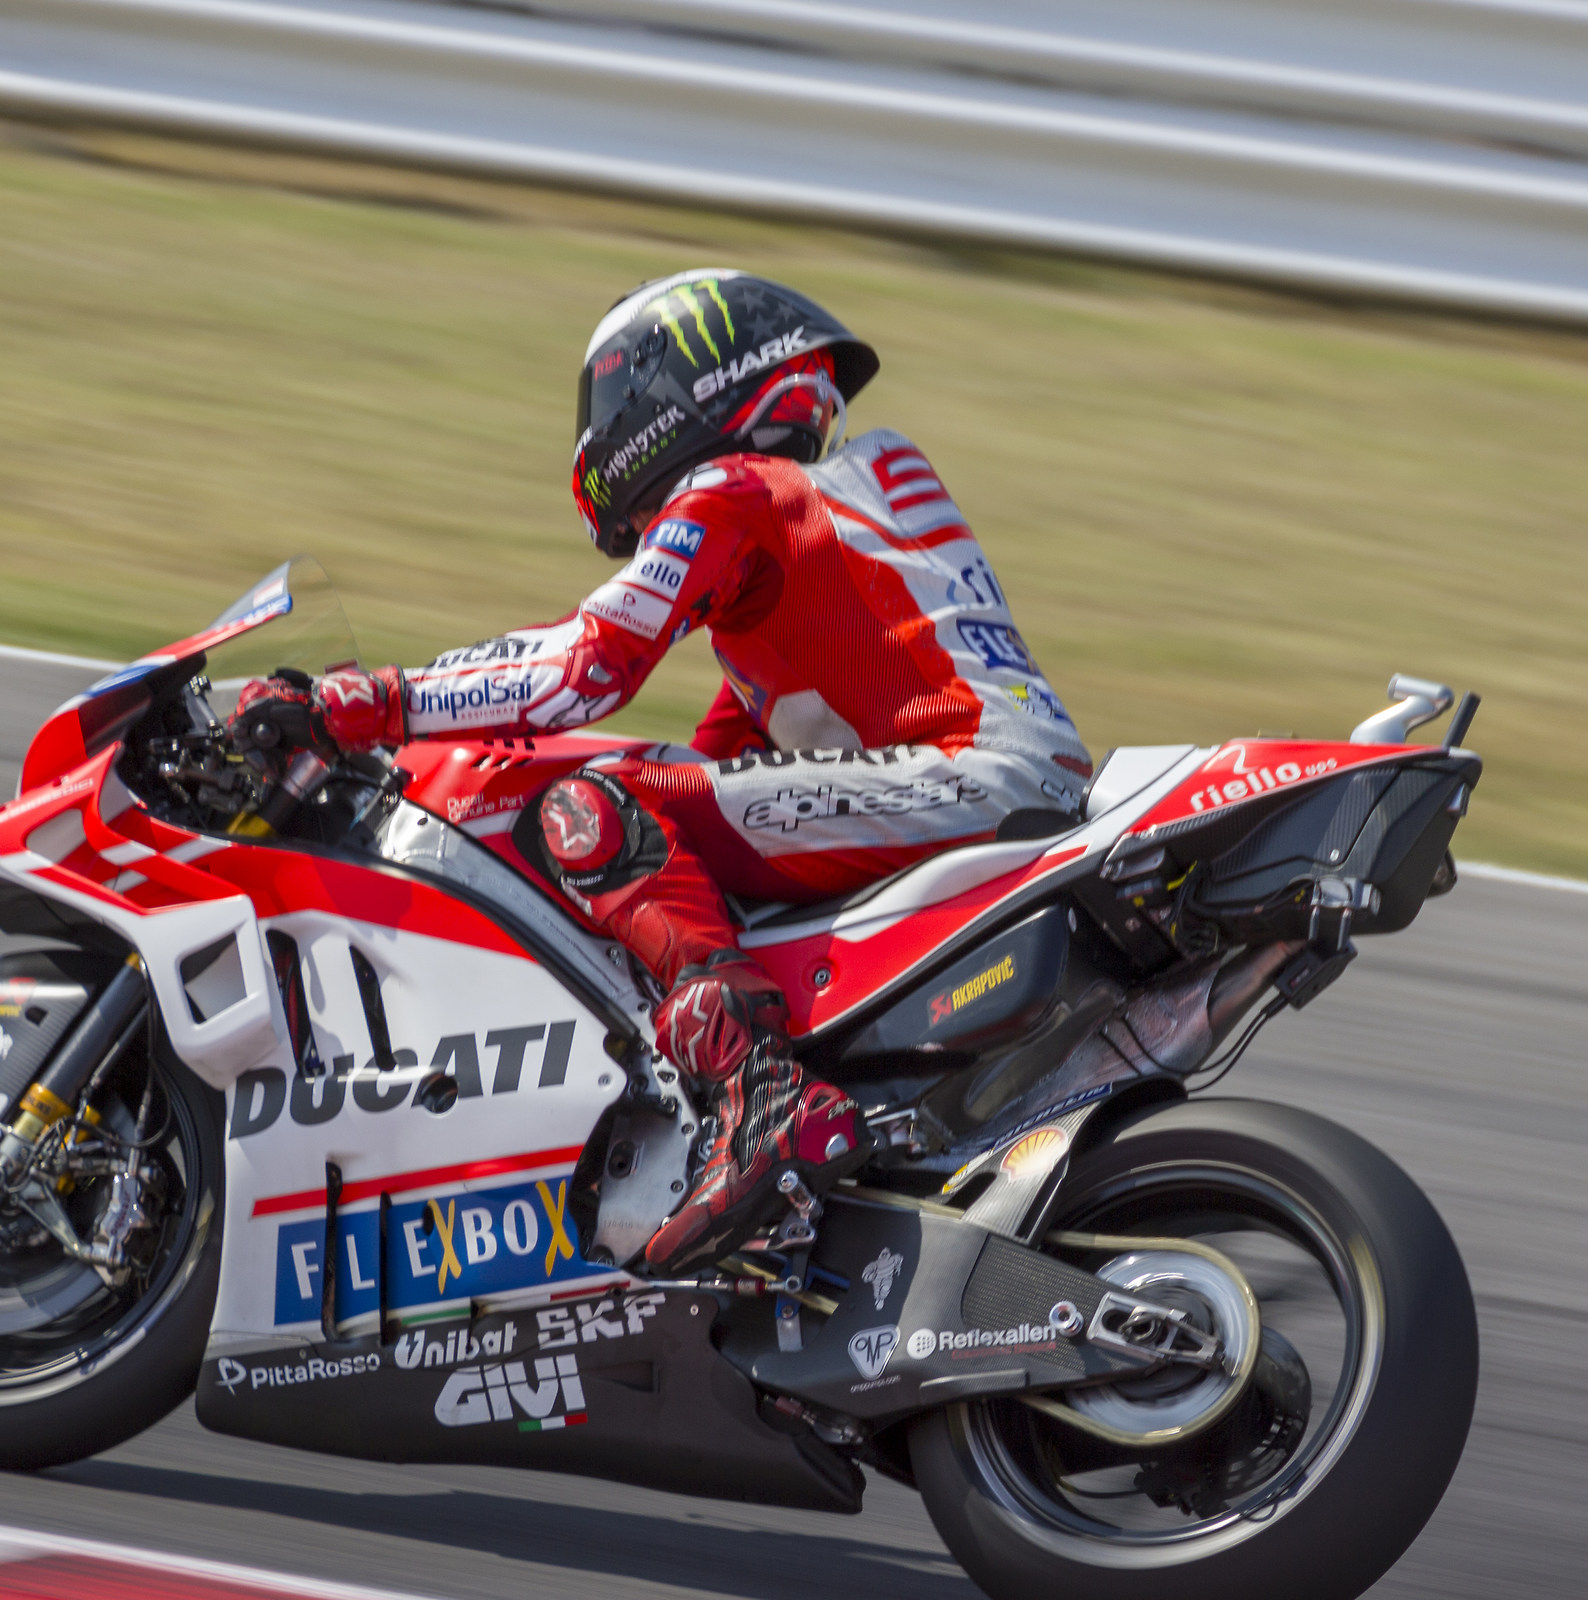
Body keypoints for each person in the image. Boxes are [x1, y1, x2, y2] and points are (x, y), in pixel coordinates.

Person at [234, 269, 1092, 1270]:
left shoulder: (739, 491)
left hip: (970, 781)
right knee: (647, 825)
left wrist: (358, 704)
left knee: (591, 809)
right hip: (1006, 780)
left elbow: (584, 668)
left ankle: (762, 1095)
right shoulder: (837, 531)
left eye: (609, 402)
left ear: (673, 388)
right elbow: (715, 771)